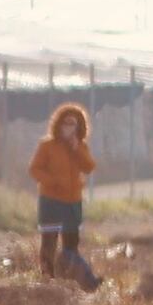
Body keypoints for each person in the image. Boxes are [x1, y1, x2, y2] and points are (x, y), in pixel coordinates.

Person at [29, 102, 101, 289]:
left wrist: (76, 148)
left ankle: (72, 280)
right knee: (49, 242)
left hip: (72, 201)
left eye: (73, 124)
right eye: (65, 123)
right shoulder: (47, 146)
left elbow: (89, 167)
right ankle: (47, 280)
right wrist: (53, 181)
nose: (68, 127)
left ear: (79, 126)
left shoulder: (80, 147)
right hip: (51, 200)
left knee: (71, 243)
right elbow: (35, 169)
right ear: (58, 124)